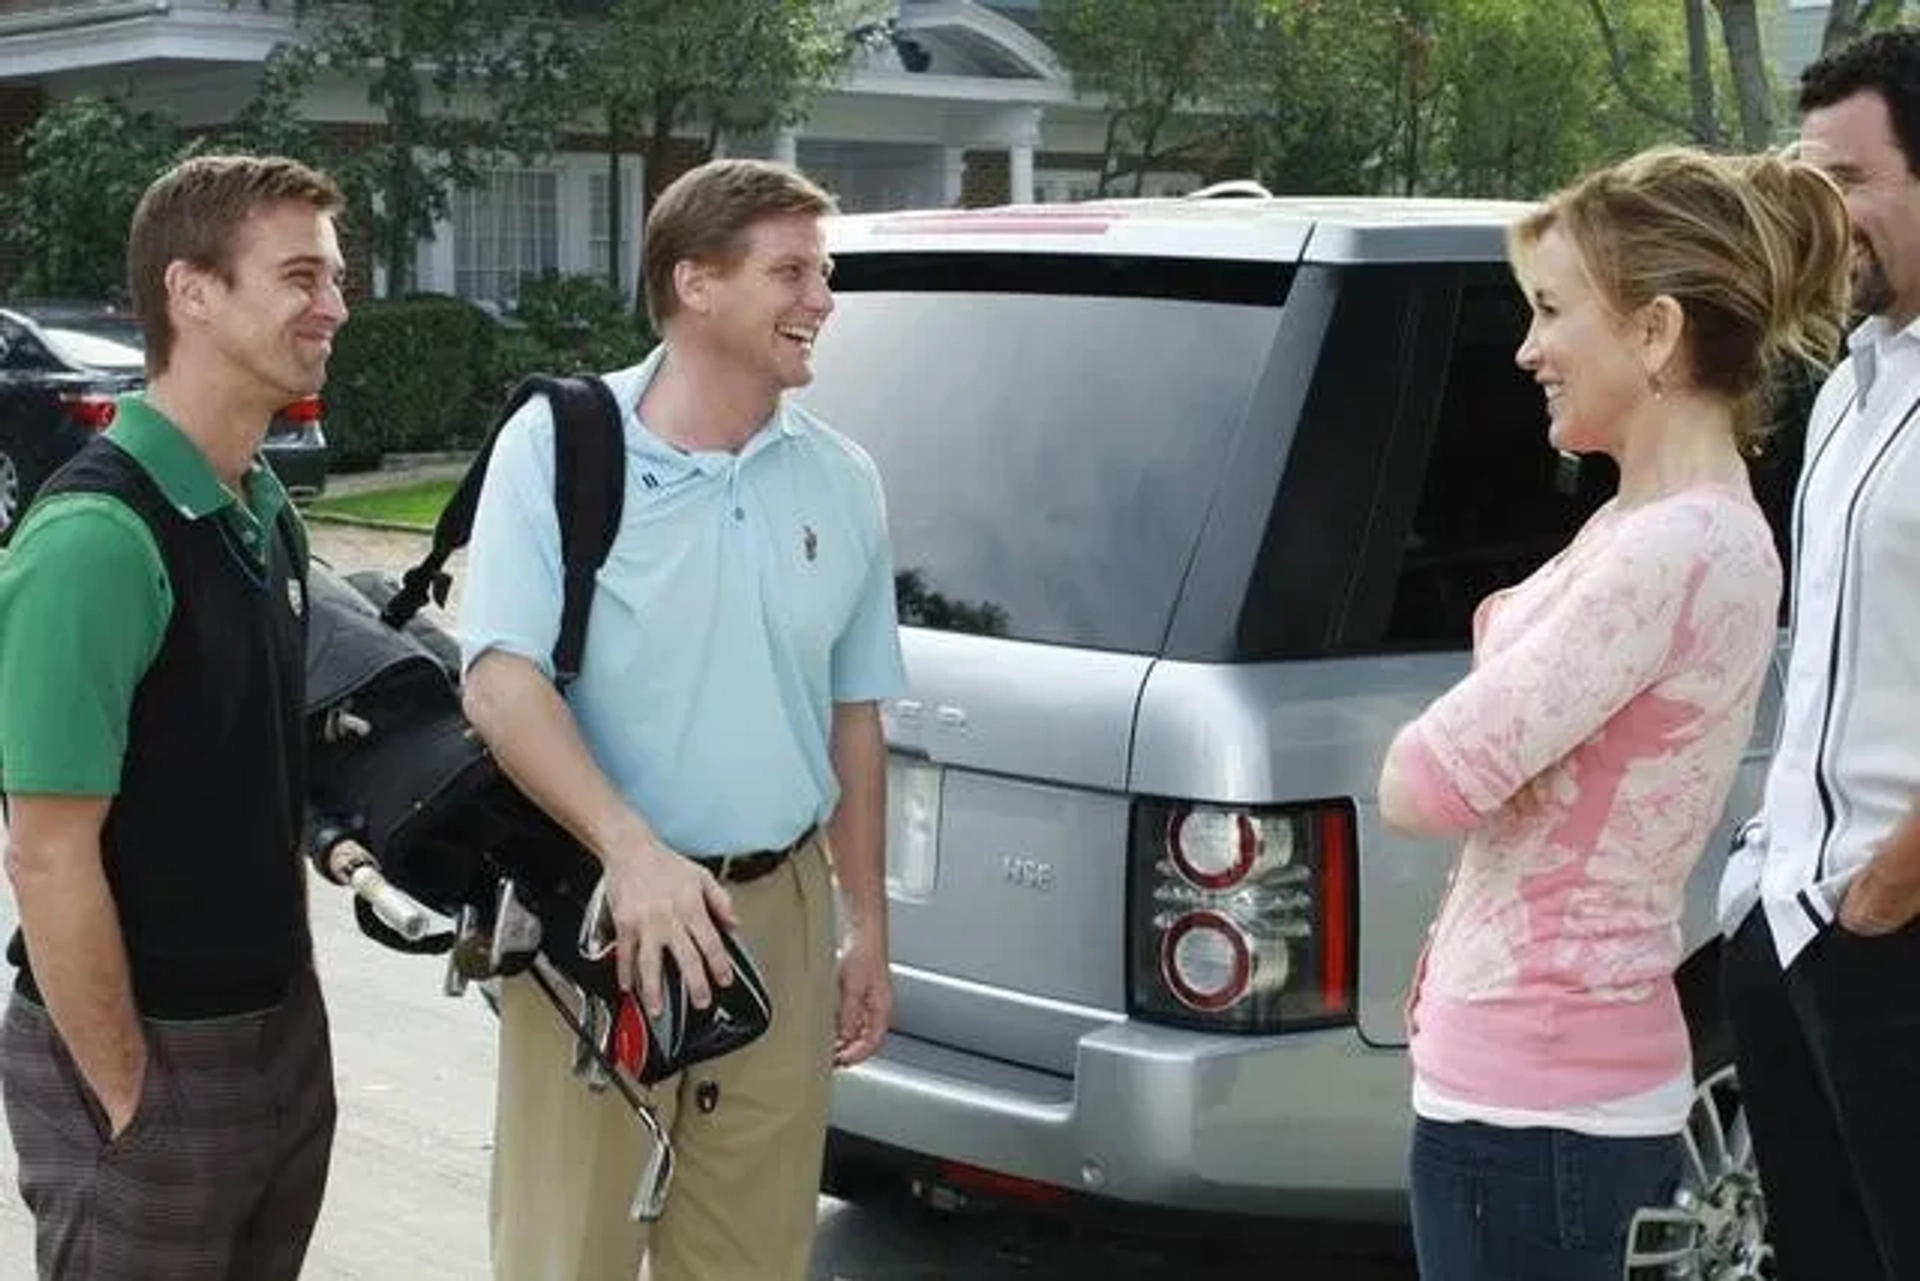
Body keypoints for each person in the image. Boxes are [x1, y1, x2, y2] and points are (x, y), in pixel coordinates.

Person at [1375, 145, 1851, 1280]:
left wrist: (1463, 742)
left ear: (1654, 333)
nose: (1529, 349)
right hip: (1534, 1090)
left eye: (1551, 311)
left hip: (1539, 1109)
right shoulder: (1652, 527)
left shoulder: (1674, 549)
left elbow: (1423, 783)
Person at [459, 157, 906, 1281]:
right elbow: (502, 679)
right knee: (568, 1255)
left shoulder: (845, 481)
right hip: (600, 914)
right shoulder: (561, 444)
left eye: (825, 270)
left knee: (753, 1259)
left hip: (780, 919)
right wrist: (630, 848)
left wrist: (866, 925)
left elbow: (855, 718)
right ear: (695, 283)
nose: (822, 300)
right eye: (791, 271)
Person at [0, 154, 347, 1279]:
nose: (334, 306)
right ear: (192, 292)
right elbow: (45, 853)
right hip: (152, 1060)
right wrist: (126, 1097)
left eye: (334, 277)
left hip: (279, 1038)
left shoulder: (262, 507)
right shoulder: (94, 541)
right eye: (301, 277)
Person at [1717, 28, 1920, 1281]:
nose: (1818, 212)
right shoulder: (1848, 385)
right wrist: (1762, 882)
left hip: (1891, 933)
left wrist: (1891, 891)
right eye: (1807, 177)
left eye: (1847, 179)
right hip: (1790, 928)